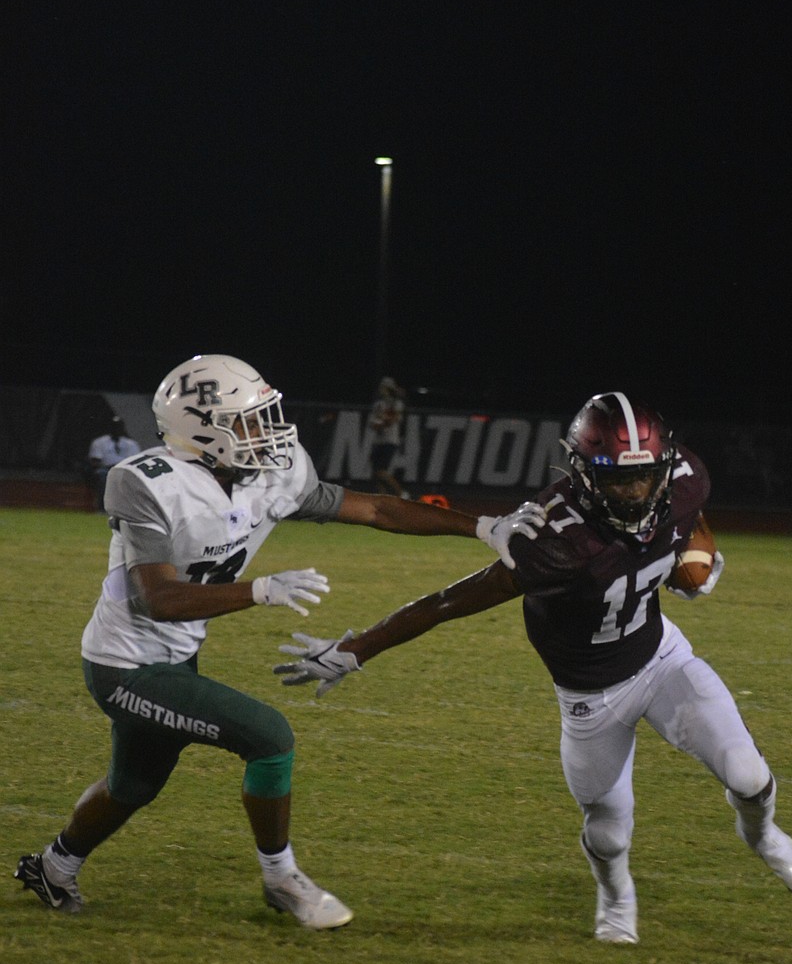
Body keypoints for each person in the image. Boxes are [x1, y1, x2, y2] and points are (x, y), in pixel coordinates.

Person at [14, 354, 545, 928]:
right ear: (202, 430)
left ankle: (53, 867)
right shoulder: (145, 482)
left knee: (133, 784)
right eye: (247, 421)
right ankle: (281, 879)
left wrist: (482, 527)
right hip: (123, 666)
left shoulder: (272, 472)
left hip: (178, 656)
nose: (267, 431)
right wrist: (260, 590)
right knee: (269, 738)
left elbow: (373, 507)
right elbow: (157, 600)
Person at [277, 391, 792, 944]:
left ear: (664, 466)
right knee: (609, 832)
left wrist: (696, 560)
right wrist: (358, 649)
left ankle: (762, 836)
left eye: (645, 477)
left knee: (750, 777)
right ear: (583, 473)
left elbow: (689, 516)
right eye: (619, 481)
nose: (636, 493)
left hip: (662, 659)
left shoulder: (683, 478)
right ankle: (616, 894)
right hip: (589, 696)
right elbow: (448, 602)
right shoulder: (552, 538)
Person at [87, 416, 141, 511]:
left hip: (126, 470)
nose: (116, 429)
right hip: (107, 469)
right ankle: (102, 507)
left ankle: (129, 509)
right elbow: (95, 460)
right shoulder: (100, 442)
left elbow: (136, 461)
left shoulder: (131, 444)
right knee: (102, 475)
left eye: (119, 426)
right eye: (114, 426)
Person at [368, 376, 407, 496]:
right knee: (375, 473)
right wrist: (381, 423)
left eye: (384, 388)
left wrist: (383, 421)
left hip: (390, 440)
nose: (382, 390)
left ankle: (401, 493)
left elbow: (393, 420)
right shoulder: (379, 404)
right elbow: (373, 424)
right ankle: (382, 496)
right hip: (378, 441)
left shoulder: (397, 404)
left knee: (381, 471)